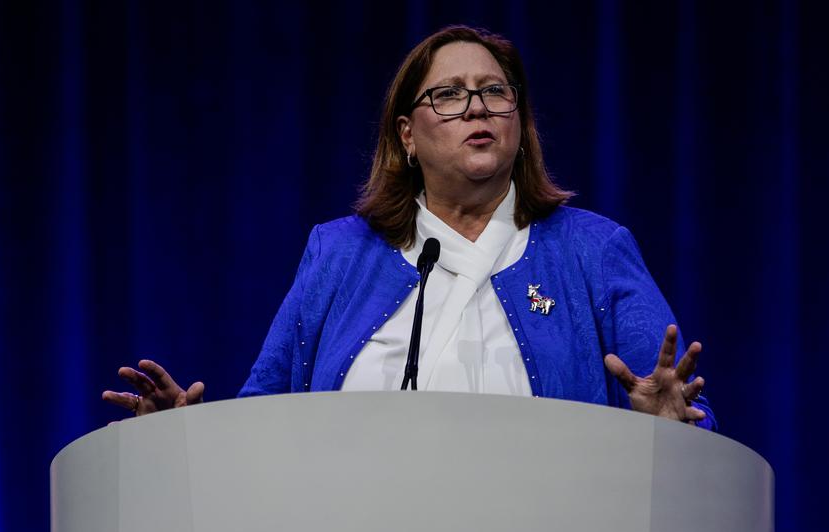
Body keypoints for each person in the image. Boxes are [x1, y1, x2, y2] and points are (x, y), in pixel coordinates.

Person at [104, 26, 716, 430]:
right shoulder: (339, 254)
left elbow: (683, 410)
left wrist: (666, 426)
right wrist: (185, 437)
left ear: (518, 123)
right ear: (407, 137)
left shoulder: (593, 250)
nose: (476, 107)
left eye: (494, 92)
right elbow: (263, 417)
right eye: (448, 95)